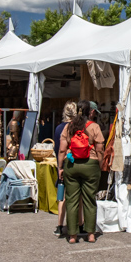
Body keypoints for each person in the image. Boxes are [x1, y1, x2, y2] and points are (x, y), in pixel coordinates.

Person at [57, 100, 105, 244]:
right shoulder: (94, 127)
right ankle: (90, 234)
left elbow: (61, 149)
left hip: (71, 165)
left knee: (71, 199)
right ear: (90, 111)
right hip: (90, 165)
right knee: (90, 199)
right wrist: (100, 165)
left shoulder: (68, 127)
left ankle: (72, 235)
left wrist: (60, 167)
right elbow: (100, 148)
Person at [52, 101, 77, 237]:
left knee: (62, 196)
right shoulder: (77, 128)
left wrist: (59, 166)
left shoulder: (58, 128)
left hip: (62, 164)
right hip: (74, 163)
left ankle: (60, 225)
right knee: (76, 196)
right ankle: (78, 225)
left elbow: (57, 149)